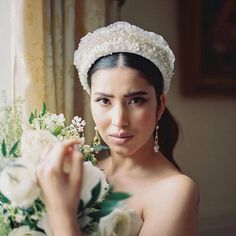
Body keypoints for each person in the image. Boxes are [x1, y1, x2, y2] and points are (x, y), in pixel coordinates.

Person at [36, 21, 199, 236]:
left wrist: (61, 214)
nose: (119, 120)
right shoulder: (83, 169)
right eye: (104, 101)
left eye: (136, 100)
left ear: (159, 105)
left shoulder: (176, 191)